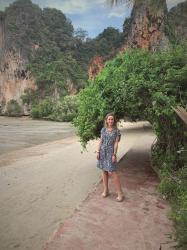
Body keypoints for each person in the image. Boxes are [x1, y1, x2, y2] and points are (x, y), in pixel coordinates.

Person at [96, 112, 124, 202]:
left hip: (110, 152)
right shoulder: (103, 129)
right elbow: (101, 141)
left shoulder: (116, 131)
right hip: (102, 152)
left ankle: (120, 193)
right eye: (109, 119)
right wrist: (97, 151)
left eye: (112, 119)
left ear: (114, 120)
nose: (110, 121)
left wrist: (114, 154)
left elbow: (116, 143)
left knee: (112, 172)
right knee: (103, 170)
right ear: (106, 120)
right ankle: (106, 190)